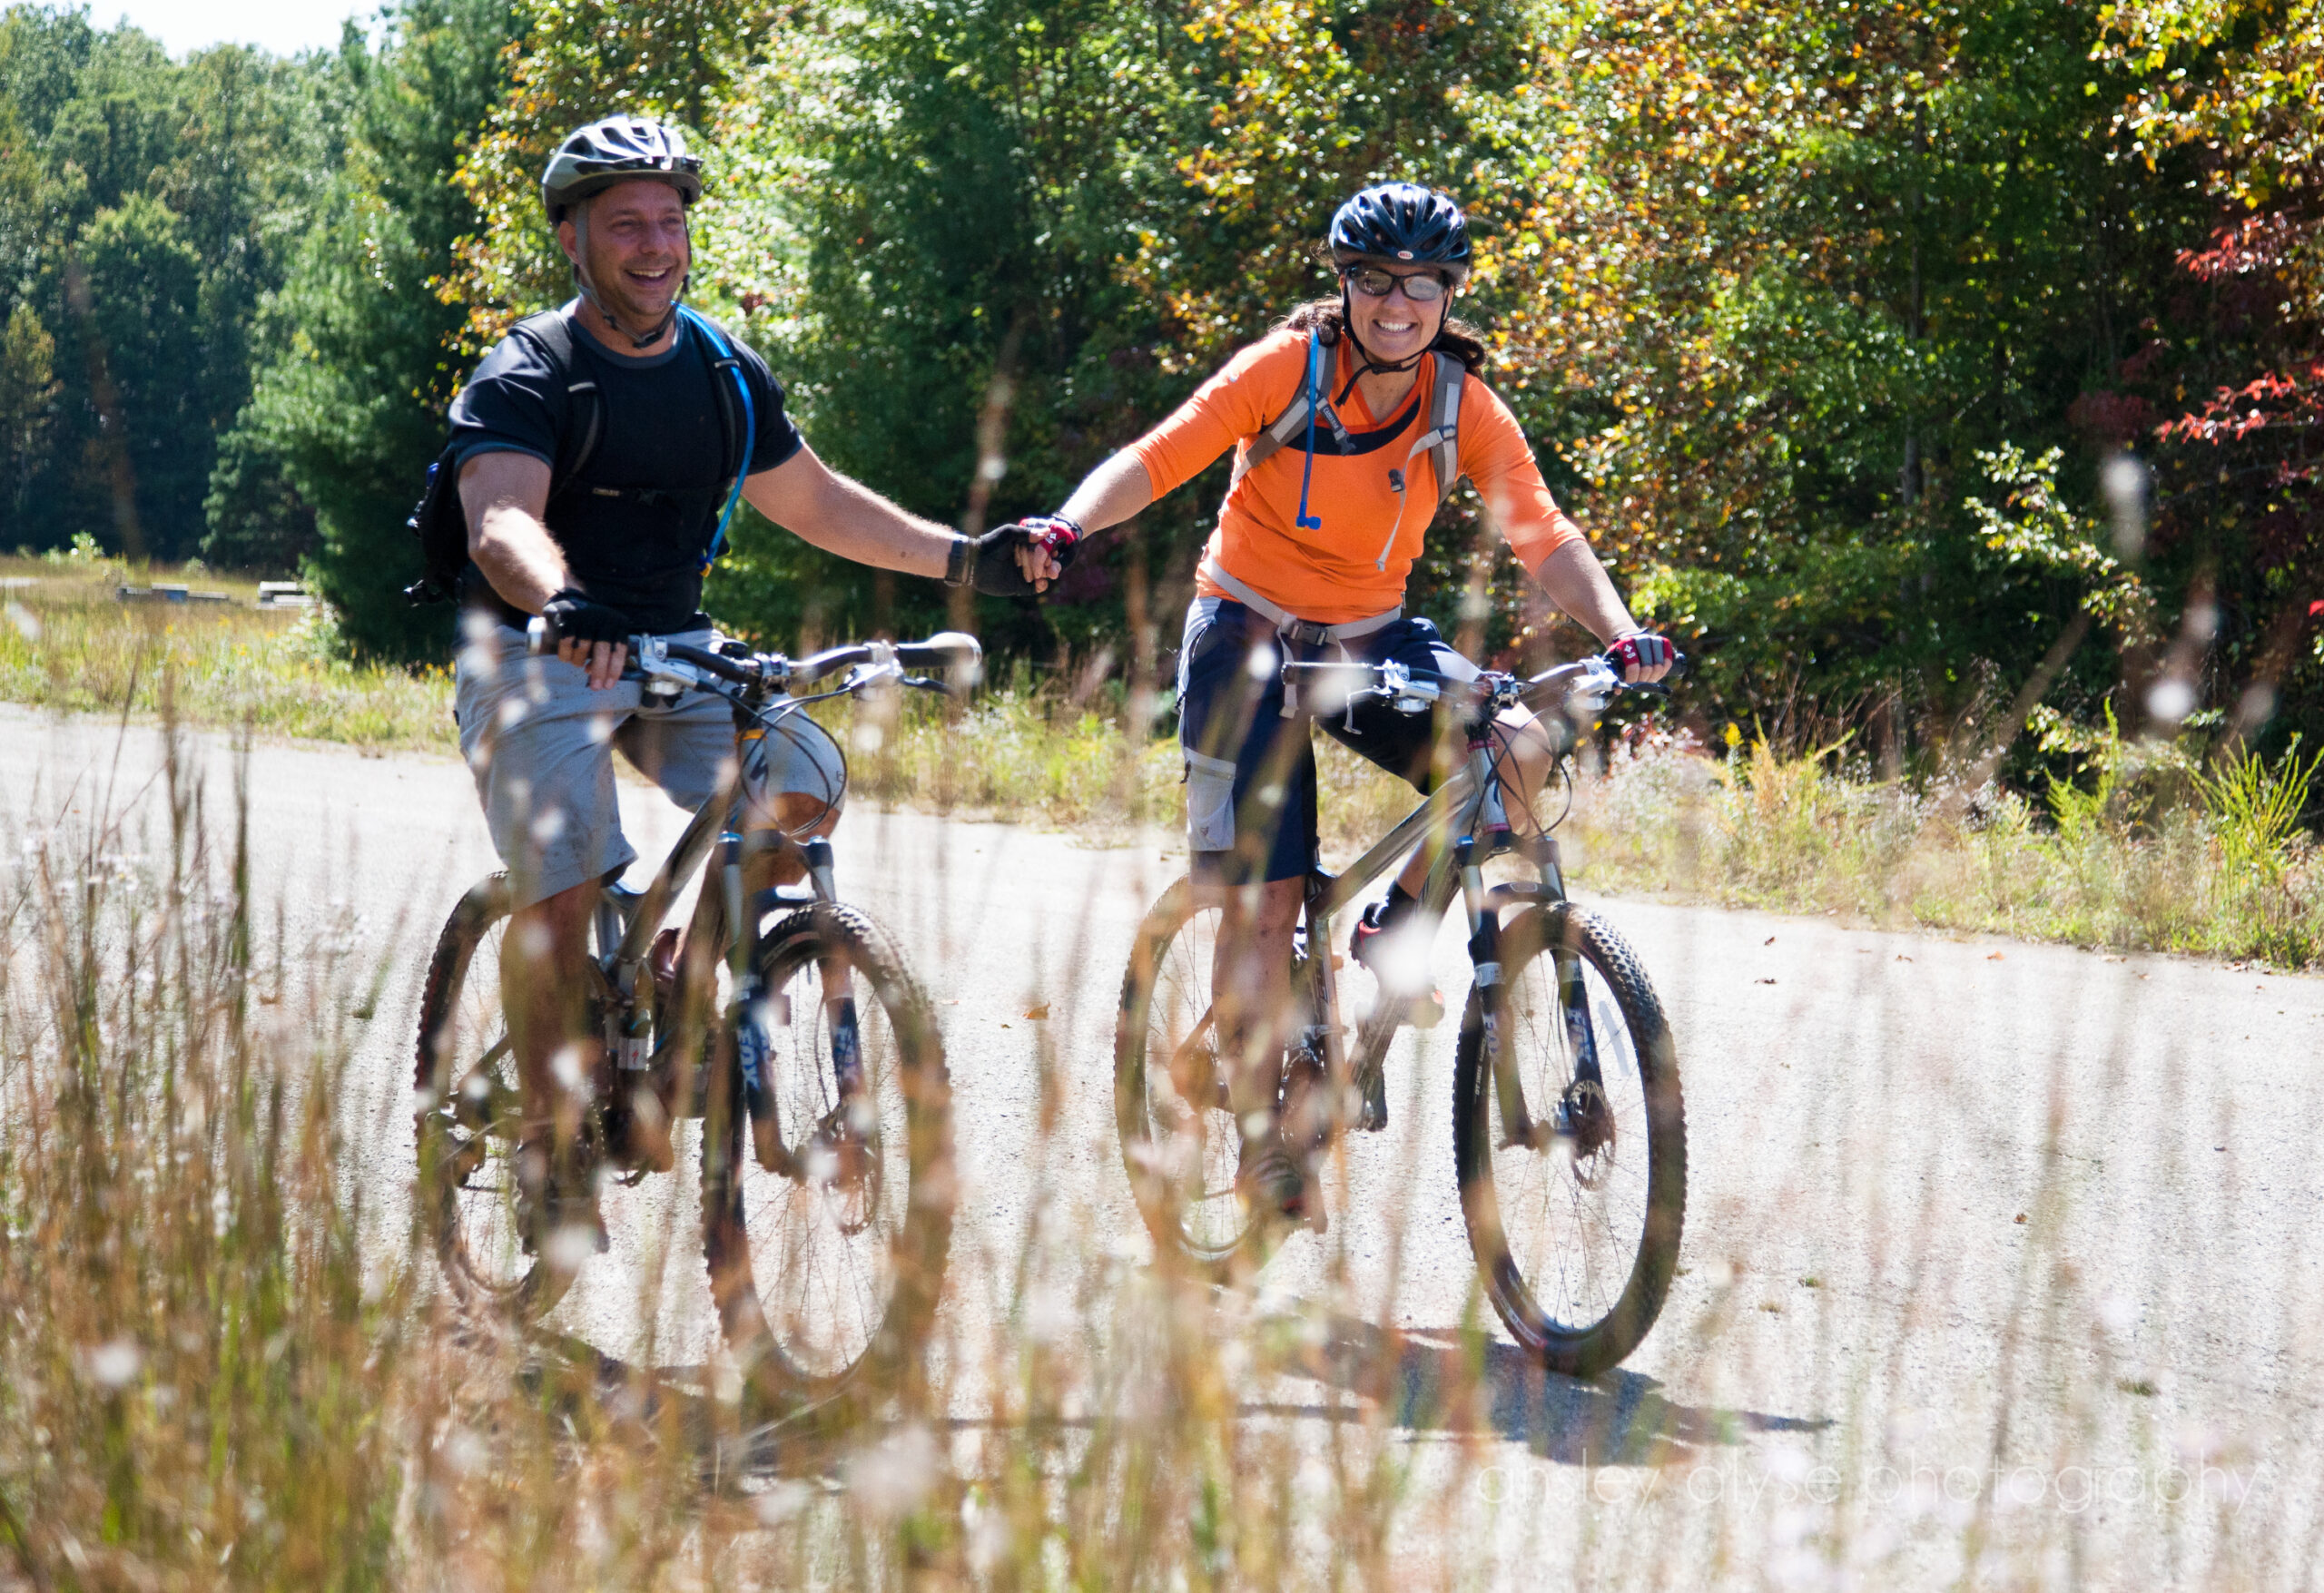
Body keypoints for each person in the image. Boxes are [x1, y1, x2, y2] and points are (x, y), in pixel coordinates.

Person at [448, 115, 1071, 1254]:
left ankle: (688, 983)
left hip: (682, 652)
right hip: (541, 653)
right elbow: (498, 518)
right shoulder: (533, 368)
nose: (654, 244)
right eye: (625, 223)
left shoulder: (722, 372)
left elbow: (820, 502)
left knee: (803, 772)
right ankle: (545, 1135)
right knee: (566, 873)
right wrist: (563, 597)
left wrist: (963, 561)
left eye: (670, 222)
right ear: (574, 240)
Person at [1039, 182, 1673, 1222]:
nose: (1397, 304)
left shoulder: (1460, 403)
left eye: (1423, 285)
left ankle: (1390, 932)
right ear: (1343, 286)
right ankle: (1261, 1146)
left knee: (1515, 745)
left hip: (1370, 633)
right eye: (1376, 281)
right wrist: (1066, 527)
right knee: (1266, 899)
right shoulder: (1287, 370)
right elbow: (1164, 454)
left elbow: (1542, 532)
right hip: (1246, 632)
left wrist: (1619, 631)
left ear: (1446, 295)